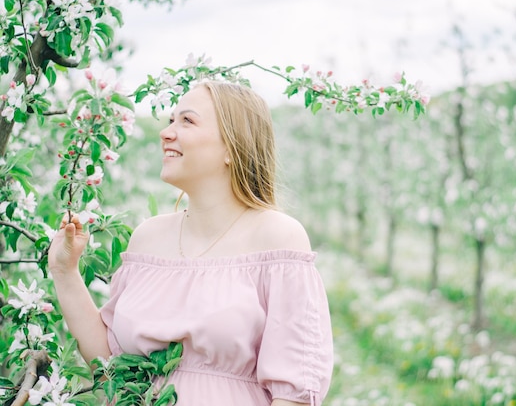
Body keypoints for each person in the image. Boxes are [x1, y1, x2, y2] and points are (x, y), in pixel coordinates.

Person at [48, 80, 334, 406]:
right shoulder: (148, 238)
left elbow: (293, 394)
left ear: (232, 146)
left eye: (187, 121)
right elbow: (111, 367)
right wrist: (65, 271)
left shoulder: (278, 239)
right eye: (171, 120)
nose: (166, 132)